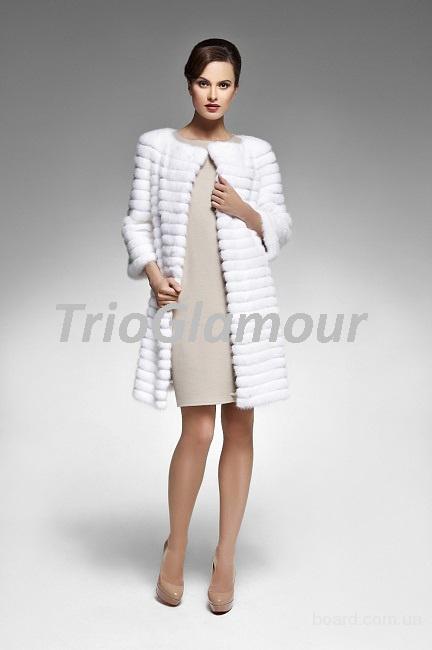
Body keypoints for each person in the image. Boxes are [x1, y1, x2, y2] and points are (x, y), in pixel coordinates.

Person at [121, 38, 292, 614]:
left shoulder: (256, 153)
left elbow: (280, 225)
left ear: (236, 88)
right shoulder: (157, 146)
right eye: (203, 82)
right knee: (197, 430)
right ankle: (177, 545)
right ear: (188, 84)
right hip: (189, 309)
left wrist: (245, 209)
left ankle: (226, 556)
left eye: (224, 84)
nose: (213, 94)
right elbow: (136, 221)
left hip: (244, 309)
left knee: (240, 428)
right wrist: (151, 273)